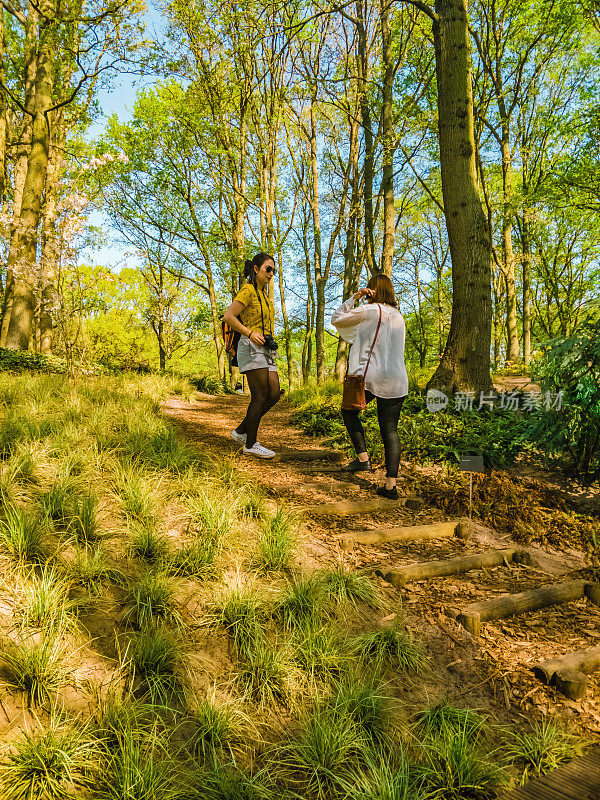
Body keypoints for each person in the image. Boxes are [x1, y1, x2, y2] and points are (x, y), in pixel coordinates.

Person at [331, 274, 408, 499]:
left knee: (348, 411)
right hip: (397, 380)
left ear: (373, 290)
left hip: (373, 377)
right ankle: (390, 486)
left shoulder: (370, 310)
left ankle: (363, 459)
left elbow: (337, 318)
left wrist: (355, 296)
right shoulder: (399, 316)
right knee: (390, 431)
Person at [223, 253, 280, 458]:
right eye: (268, 269)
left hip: (266, 347)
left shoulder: (264, 295)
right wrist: (249, 332)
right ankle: (251, 443)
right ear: (256, 269)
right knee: (260, 395)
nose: (271, 274)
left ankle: (240, 431)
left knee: (274, 394)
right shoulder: (248, 290)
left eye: (274, 270)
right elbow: (228, 316)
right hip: (250, 345)